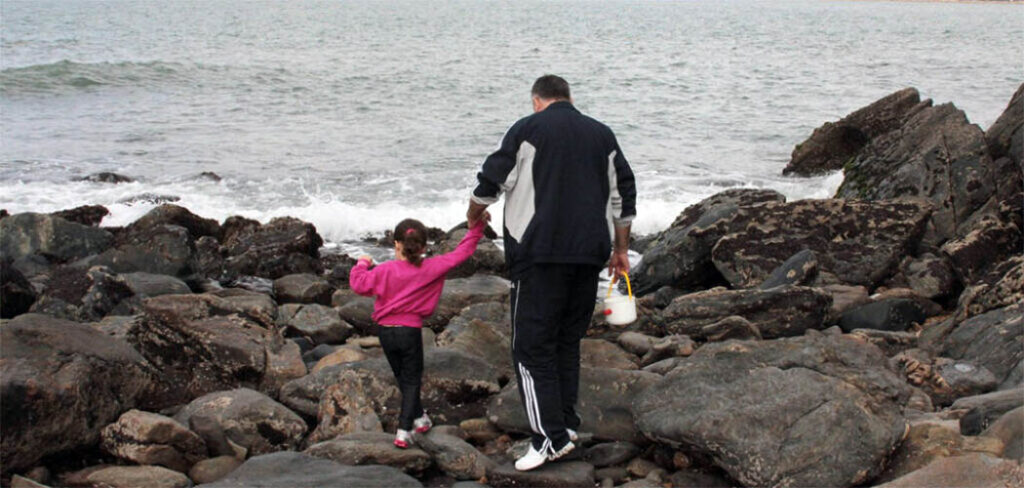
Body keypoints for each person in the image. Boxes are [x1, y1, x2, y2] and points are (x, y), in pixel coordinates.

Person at [466, 74, 637, 471]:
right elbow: (623, 195)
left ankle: (548, 438)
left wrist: (473, 214)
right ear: (569, 98)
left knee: (529, 349)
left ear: (537, 101)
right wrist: (621, 250)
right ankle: (567, 426)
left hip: (539, 255)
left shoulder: (528, 129)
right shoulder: (602, 134)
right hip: (590, 254)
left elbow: (491, 180)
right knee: (565, 342)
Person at [349, 216, 488, 448]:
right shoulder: (431, 267)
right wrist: (477, 228)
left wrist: (362, 263)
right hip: (409, 330)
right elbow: (461, 253)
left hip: (385, 331)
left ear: (396, 244)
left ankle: (420, 418)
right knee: (412, 379)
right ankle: (404, 430)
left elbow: (359, 284)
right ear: (424, 247)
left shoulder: (384, 270)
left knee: (403, 377)